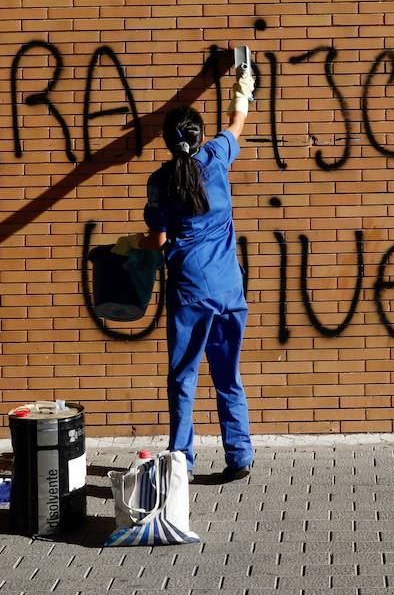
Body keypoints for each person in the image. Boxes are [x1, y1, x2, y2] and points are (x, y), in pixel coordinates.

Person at [137, 63, 255, 480]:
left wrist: (135, 244)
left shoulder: (160, 182)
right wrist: (243, 86)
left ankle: (182, 463)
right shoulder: (216, 158)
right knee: (229, 376)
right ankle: (239, 456)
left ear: (169, 143)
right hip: (228, 290)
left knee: (184, 378)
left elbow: (158, 238)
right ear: (199, 137)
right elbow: (236, 122)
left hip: (189, 292)